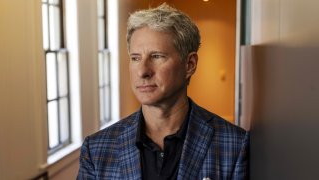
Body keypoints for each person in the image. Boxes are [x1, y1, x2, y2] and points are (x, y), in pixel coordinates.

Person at [77, 3, 249, 180]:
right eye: (135, 58)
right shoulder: (96, 150)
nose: (143, 71)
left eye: (157, 56)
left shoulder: (234, 145)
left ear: (190, 64)